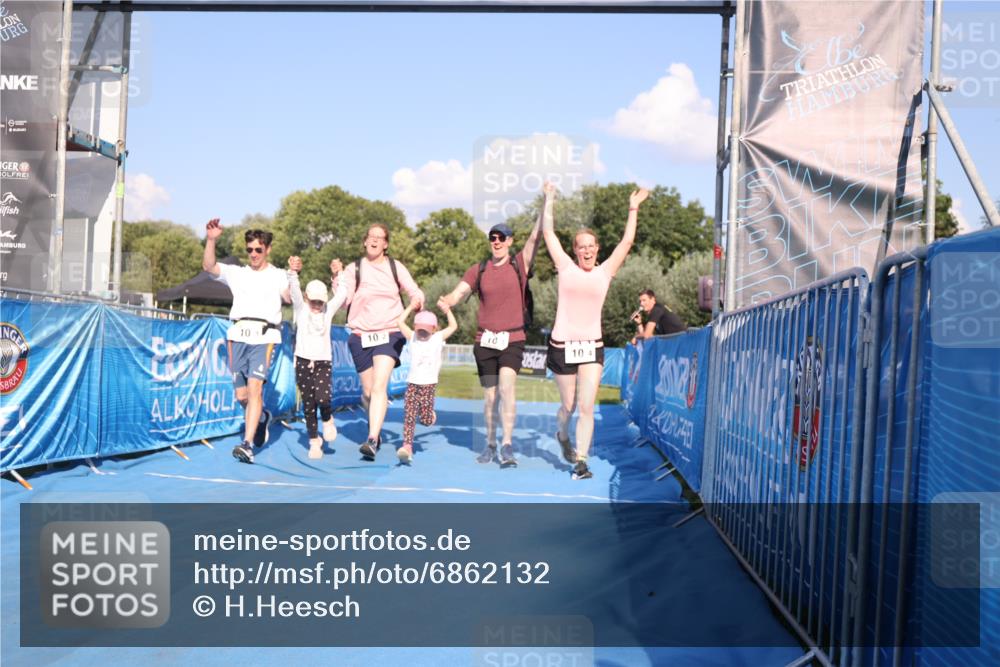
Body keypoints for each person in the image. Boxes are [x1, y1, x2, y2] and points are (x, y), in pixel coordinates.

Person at [542, 186, 650, 479]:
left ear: (598, 249)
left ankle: (581, 461)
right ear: (575, 251)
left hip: (592, 347)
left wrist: (633, 207)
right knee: (568, 405)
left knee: (586, 406)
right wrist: (549, 200)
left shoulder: (605, 272)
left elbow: (627, 241)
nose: (587, 250)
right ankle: (562, 434)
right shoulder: (565, 267)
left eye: (591, 246)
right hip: (562, 346)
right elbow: (549, 234)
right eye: (581, 247)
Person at [438, 198, 543, 468]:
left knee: (507, 388)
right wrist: (449, 300)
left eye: (501, 238)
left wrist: (546, 205)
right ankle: (491, 444)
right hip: (484, 341)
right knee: (490, 397)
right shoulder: (479, 270)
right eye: (492, 238)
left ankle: (507, 444)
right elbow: (460, 291)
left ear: (510, 241)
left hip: (512, 340)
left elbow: (536, 237)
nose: (496, 242)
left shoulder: (519, 264)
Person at [203, 219, 291, 464]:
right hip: (238, 335)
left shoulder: (278, 275)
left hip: (265, 335)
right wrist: (211, 240)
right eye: (250, 249)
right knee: (242, 397)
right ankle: (261, 417)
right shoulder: (237, 273)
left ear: (268, 249)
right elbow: (209, 266)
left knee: (255, 389)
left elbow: (289, 297)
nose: (253, 254)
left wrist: (294, 276)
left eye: (258, 249)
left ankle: (247, 444)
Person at [340, 223, 424, 460]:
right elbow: (344, 301)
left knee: (379, 386)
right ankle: (374, 427)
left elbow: (414, 291)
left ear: (385, 244)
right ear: (365, 241)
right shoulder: (354, 269)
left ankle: (372, 439)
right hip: (360, 335)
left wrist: (417, 301)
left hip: (390, 332)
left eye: (380, 237)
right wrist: (337, 279)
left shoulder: (395, 267)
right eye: (371, 236)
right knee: (368, 393)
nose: (375, 240)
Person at [287, 256, 347, 459]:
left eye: (320, 302)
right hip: (303, 361)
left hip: (323, 362)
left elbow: (342, 294)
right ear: (306, 298)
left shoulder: (328, 311)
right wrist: (293, 272)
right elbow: (294, 290)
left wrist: (339, 273)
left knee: (323, 397)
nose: (317, 305)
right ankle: (314, 440)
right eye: (313, 301)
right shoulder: (301, 309)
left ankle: (328, 418)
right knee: (309, 403)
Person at [396, 301, 458, 464]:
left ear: (434, 329)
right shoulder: (412, 337)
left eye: (426, 331)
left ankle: (430, 416)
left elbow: (453, 326)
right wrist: (410, 307)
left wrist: (447, 310)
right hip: (412, 384)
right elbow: (400, 322)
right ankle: (407, 446)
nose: (422, 334)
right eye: (420, 330)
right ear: (415, 328)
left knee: (425, 420)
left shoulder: (437, 338)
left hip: (428, 386)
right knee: (409, 415)